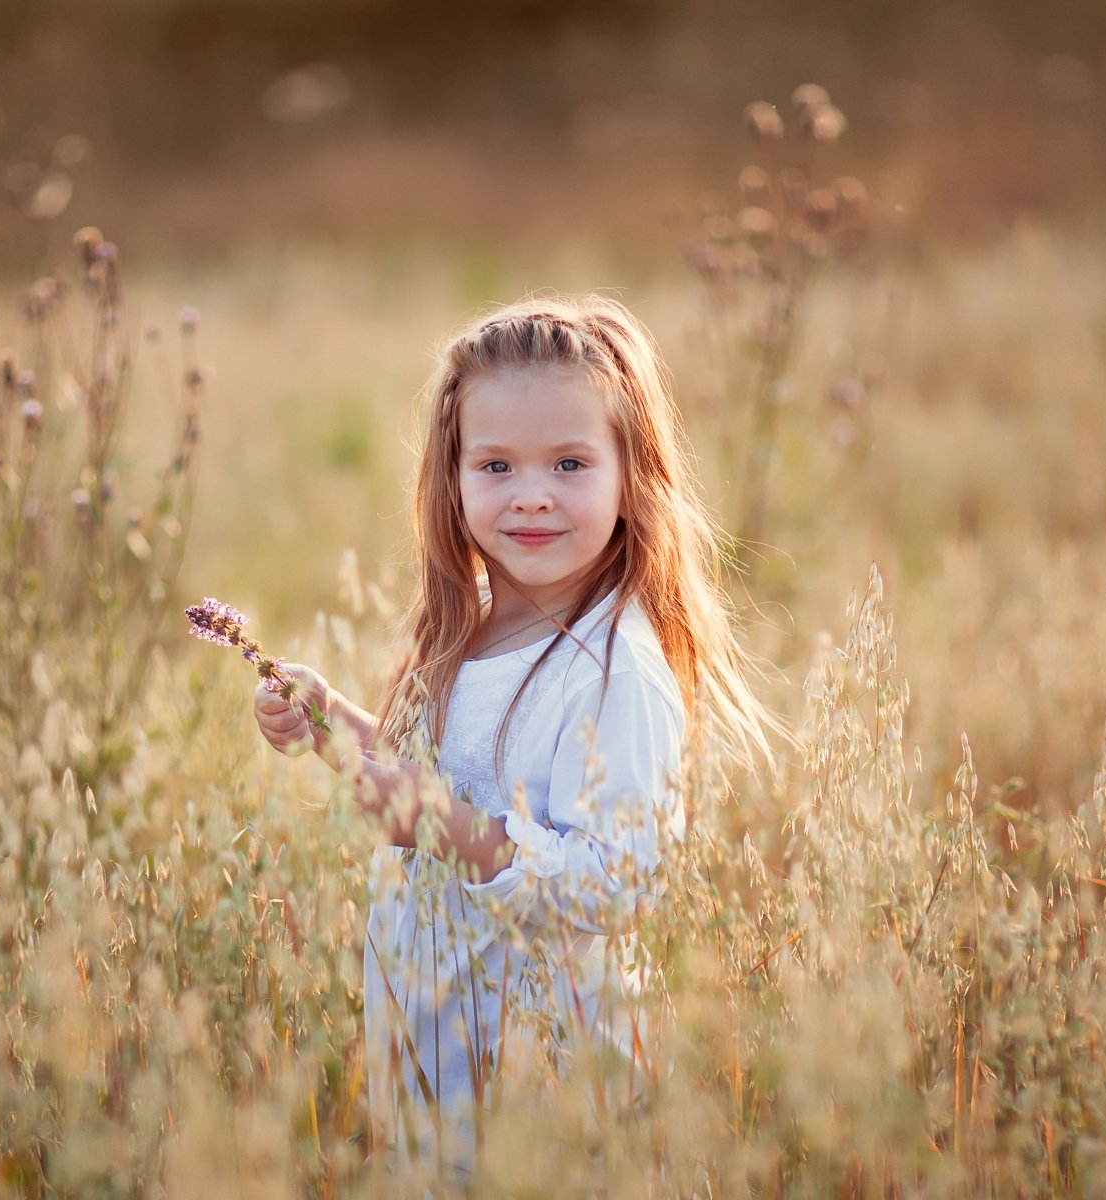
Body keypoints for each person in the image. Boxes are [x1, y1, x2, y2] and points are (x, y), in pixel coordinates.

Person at [251, 294, 778, 1170]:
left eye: (570, 463)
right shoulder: (473, 622)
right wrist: (331, 722)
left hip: (552, 1082)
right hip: (441, 1053)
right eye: (496, 465)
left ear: (630, 476)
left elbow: (618, 886)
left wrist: (443, 827)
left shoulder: (614, 671)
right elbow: (437, 784)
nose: (532, 495)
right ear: (452, 478)